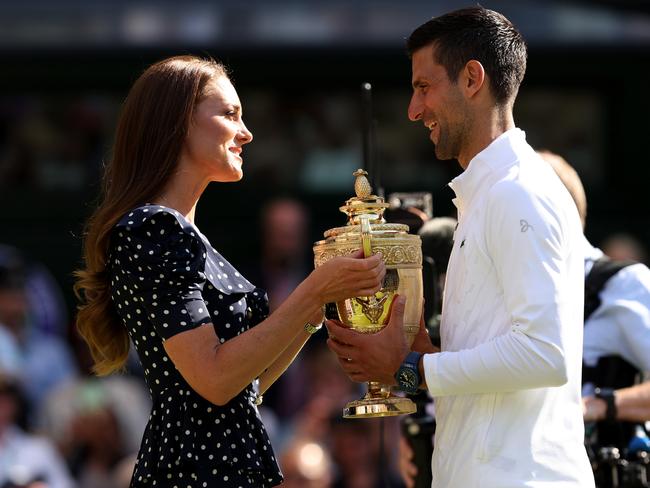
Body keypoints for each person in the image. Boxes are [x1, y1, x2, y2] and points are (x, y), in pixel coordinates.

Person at [73, 55, 386, 487]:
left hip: (224, 463)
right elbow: (215, 379)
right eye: (230, 114)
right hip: (194, 470)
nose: (246, 132)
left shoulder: (180, 233)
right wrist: (313, 292)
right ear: (180, 122)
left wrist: (317, 308)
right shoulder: (155, 227)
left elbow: (248, 384)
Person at [326, 7, 595, 487]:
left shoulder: (517, 191)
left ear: (473, 79)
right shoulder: (493, 194)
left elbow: (545, 354)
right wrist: (420, 352)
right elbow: (500, 353)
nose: (413, 109)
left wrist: (410, 367)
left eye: (423, 87)